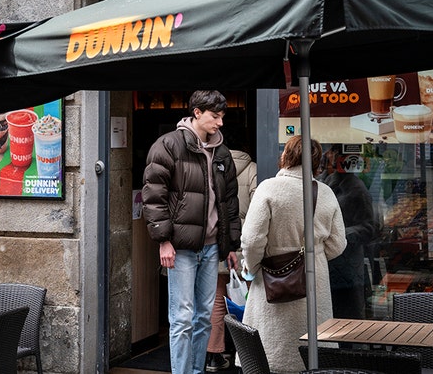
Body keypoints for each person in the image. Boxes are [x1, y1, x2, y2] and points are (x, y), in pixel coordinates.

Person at [142, 90, 241, 374]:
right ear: (197, 112)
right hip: (181, 248)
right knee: (182, 319)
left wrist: (231, 246)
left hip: (211, 249)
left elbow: (230, 202)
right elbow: (154, 198)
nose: (220, 123)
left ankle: (196, 371)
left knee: (203, 319)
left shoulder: (222, 153)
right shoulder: (168, 146)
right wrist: (163, 241)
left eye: (222, 117)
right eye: (215, 116)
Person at [239, 136, 346, 373]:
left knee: (270, 354)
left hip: (271, 276)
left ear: (285, 156)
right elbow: (338, 243)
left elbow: (252, 240)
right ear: (317, 162)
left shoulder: (268, 188)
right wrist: (312, 256)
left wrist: (252, 267)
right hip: (314, 279)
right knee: (311, 353)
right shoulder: (326, 192)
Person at [206, 132, 256, 372]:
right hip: (242, 244)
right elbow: (257, 209)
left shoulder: (213, 165)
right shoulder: (253, 168)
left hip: (217, 243)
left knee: (216, 302)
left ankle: (215, 355)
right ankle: (246, 354)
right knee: (248, 301)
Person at [319, 144, 378, 320]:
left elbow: (369, 228)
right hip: (325, 265)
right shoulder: (321, 183)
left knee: (347, 319)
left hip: (347, 268)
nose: (328, 155)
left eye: (332, 152)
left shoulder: (357, 189)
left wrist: (340, 235)